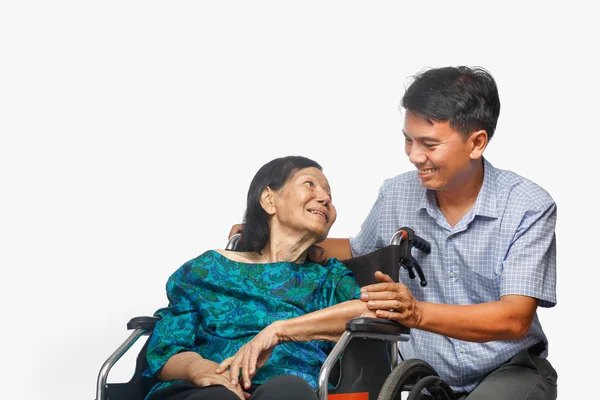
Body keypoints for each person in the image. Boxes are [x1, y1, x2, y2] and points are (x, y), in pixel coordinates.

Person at [229, 66, 558, 399]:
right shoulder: (396, 194)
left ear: (476, 143)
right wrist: (273, 236)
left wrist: (417, 313)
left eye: (429, 144)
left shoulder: (527, 206)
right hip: (419, 377)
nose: (414, 156)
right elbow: (357, 254)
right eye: (408, 139)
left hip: (505, 368)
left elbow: (514, 318)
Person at [143, 155, 376, 400]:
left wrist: (279, 331)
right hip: (205, 385)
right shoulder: (206, 269)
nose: (325, 197)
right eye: (310, 184)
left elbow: (368, 311)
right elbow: (166, 349)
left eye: (329, 193)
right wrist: (200, 369)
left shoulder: (328, 277)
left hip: (291, 388)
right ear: (268, 199)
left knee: (288, 391)